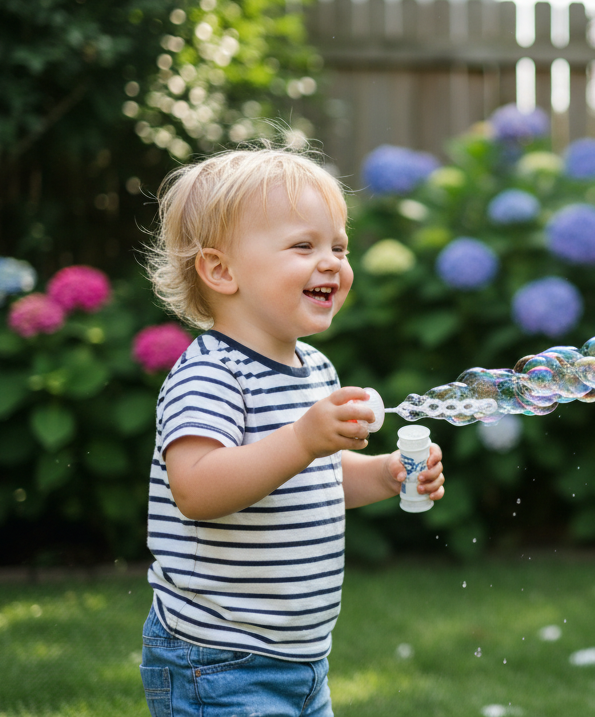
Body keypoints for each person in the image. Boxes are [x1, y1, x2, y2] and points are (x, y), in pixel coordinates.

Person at [138, 147, 444, 716]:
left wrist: (385, 474)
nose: (331, 263)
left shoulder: (315, 369)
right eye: (304, 246)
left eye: (339, 248)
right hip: (217, 655)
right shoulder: (211, 374)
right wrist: (303, 439)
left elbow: (315, 478)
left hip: (301, 657)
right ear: (221, 270)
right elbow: (197, 490)